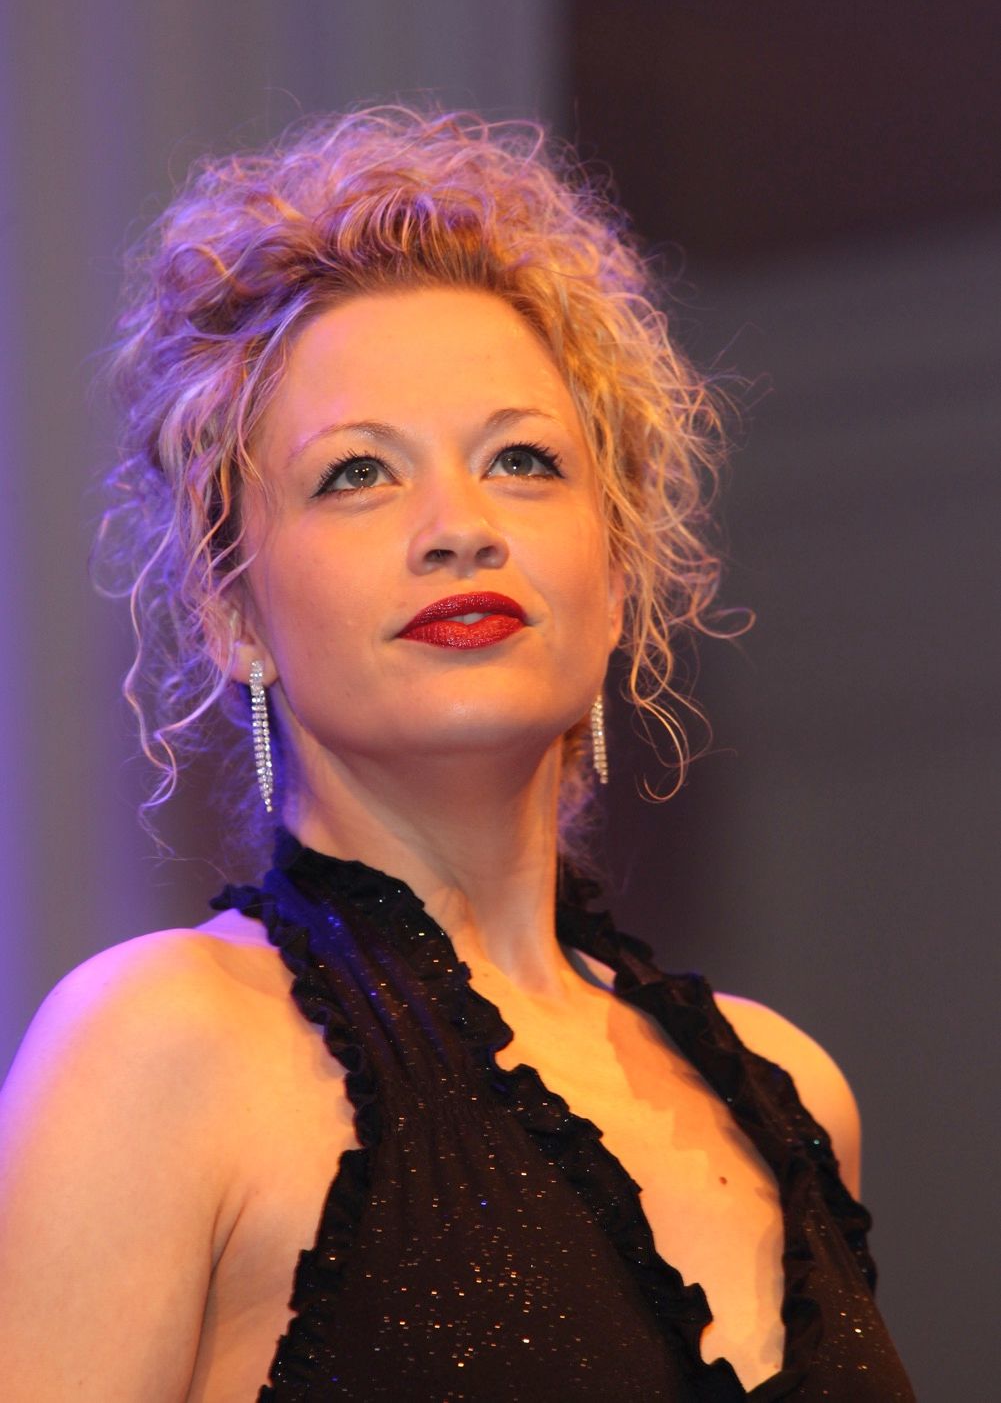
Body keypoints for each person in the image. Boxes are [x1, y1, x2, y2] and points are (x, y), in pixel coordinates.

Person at [0, 108, 914, 1401]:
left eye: (522, 461)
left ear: (615, 582)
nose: (457, 527)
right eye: (358, 474)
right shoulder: (164, 1052)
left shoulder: (792, 1094)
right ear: (234, 612)